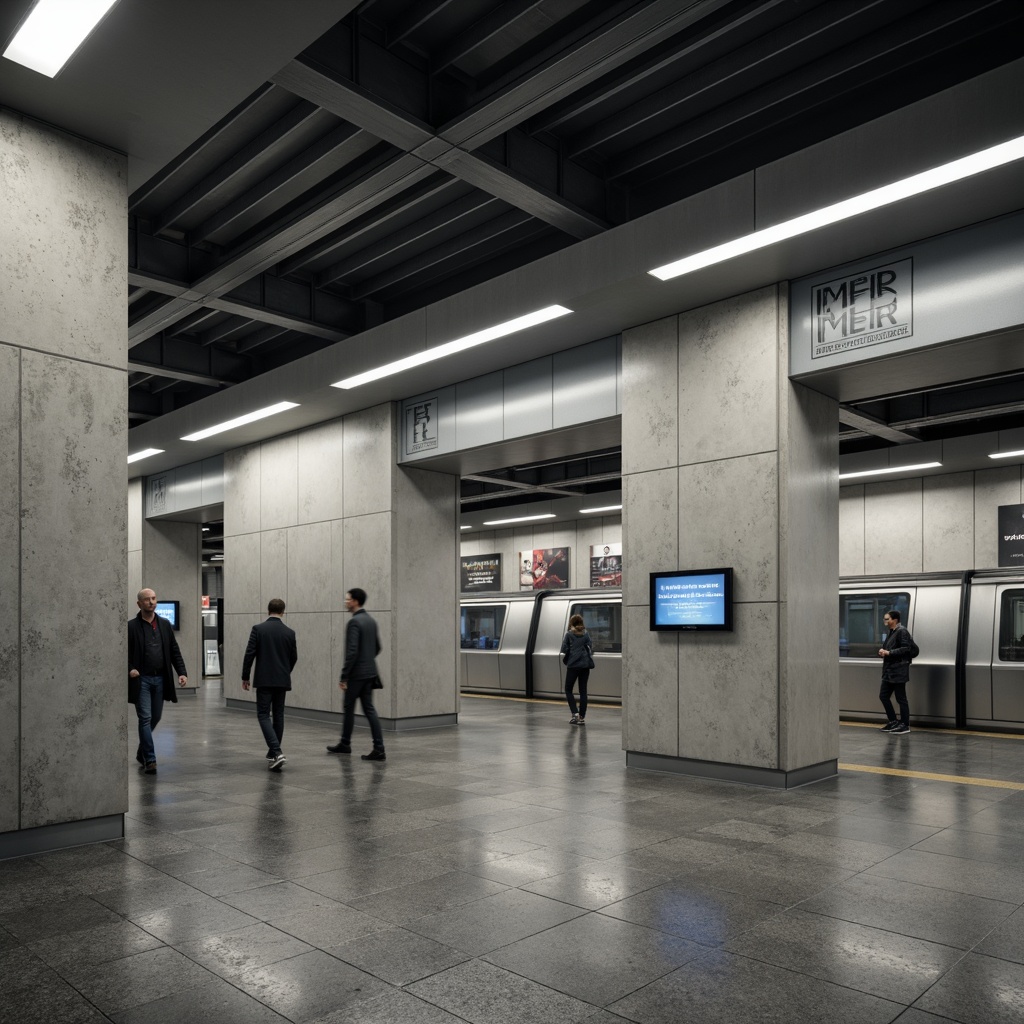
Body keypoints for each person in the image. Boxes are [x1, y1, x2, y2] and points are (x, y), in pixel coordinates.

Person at [127, 588, 188, 774]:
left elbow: (174, 650)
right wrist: (131, 669)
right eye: (146, 600)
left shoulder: (164, 624)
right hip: (142, 680)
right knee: (145, 718)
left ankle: (142, 752)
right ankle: (151, 760)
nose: (151, 602)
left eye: (153, 599)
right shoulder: (131, 627)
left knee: (156, 717)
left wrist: (182, 672)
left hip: (161, 678)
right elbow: (124, 653)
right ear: (139, 604)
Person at [327, 588, 386, 761]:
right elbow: (377, 647)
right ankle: (378, 747)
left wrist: (344, 676)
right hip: (370, 673)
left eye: (348, 599)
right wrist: (367, 660)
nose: (346, 602)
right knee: (369, 709)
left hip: (356, 675)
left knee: (349, 708)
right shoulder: (371, 621)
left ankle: (345, 744)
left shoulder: (354, 622)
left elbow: (352, 652)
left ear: (355, 601)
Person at [242, 598, 298, 772]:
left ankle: (277, 751)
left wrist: (245, 676)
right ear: (283, 612)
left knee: (263, 714)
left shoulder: (258, 629)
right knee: (279, 715)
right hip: (282, 680)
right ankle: (273, 753)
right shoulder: (290, 632)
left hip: (264, 680)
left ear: (268, 611)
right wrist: (285, 672)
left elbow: (249, 654)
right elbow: (294, 657)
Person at [878, 609, 915, 734]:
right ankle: (893, 721)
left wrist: (889, 652)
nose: (885, 621)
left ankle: (905, 724)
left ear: (895, 620)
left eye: (887, 619)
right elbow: (890, 648)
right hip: (889, 671)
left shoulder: (902, 631)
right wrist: (883, 651)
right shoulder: (892, 632)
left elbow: (905, 648)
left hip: (899, 670)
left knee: (901, 698)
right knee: (883, 696)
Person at [561, 613, 593, 725]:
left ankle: (575, 714)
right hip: (585, 666)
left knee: (568, 689)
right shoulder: (586, 634)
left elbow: (564, 649)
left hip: (573, 666)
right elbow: (590, 647)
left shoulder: (569, 635)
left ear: (571, 623)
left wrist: (572, 649)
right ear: (581, 623)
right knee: (583, 691)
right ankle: (581, 716)